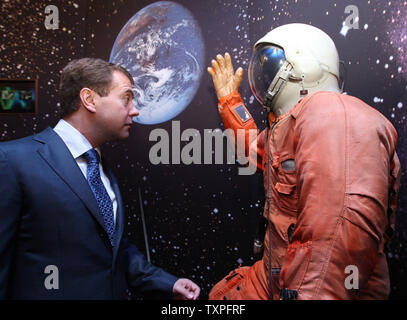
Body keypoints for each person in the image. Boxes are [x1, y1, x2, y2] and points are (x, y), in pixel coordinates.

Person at [207, 23, 400, 300]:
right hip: (278, 274)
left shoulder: (335, 116)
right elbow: (256, 150)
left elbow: (333, 246)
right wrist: (230, 102)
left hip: (311, 285)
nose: (266, 81)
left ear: (304, 67)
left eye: (272, 71)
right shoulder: (299, 122)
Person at [0, 58, 200, 300]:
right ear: (90, 100)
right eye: (126, 98)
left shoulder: (101, 169)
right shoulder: (13, 161)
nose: (135, 110)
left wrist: (168, 283)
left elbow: (113, 250)